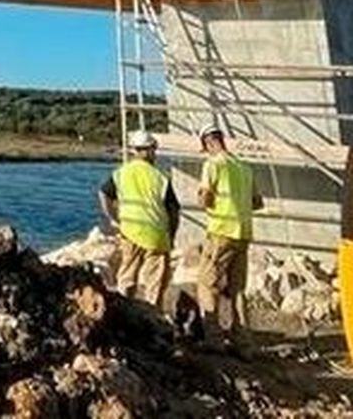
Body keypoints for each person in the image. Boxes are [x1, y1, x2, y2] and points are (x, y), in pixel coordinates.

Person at [196, 123, 264, 348]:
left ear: (208, 143)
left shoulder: (213, 164)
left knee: (207, 284)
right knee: (237, 289)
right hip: (243, 233)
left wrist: (205, 202)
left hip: (221, 232)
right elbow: (257, 202)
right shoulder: (244, 167)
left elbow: (205, 198)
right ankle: (243, 342)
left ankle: (213, 339)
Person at [98, 129, 181, 311]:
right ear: (151, 150)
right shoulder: (160, 178)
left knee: (127, 275)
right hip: (156, 234)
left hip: (130, 231)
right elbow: (174, 211)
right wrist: (171, 235)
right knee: (155, 282)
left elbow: (104, 194)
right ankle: (154, 316)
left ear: (134, 150)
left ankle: (122, 313)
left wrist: (114, 218)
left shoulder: (121, 173)